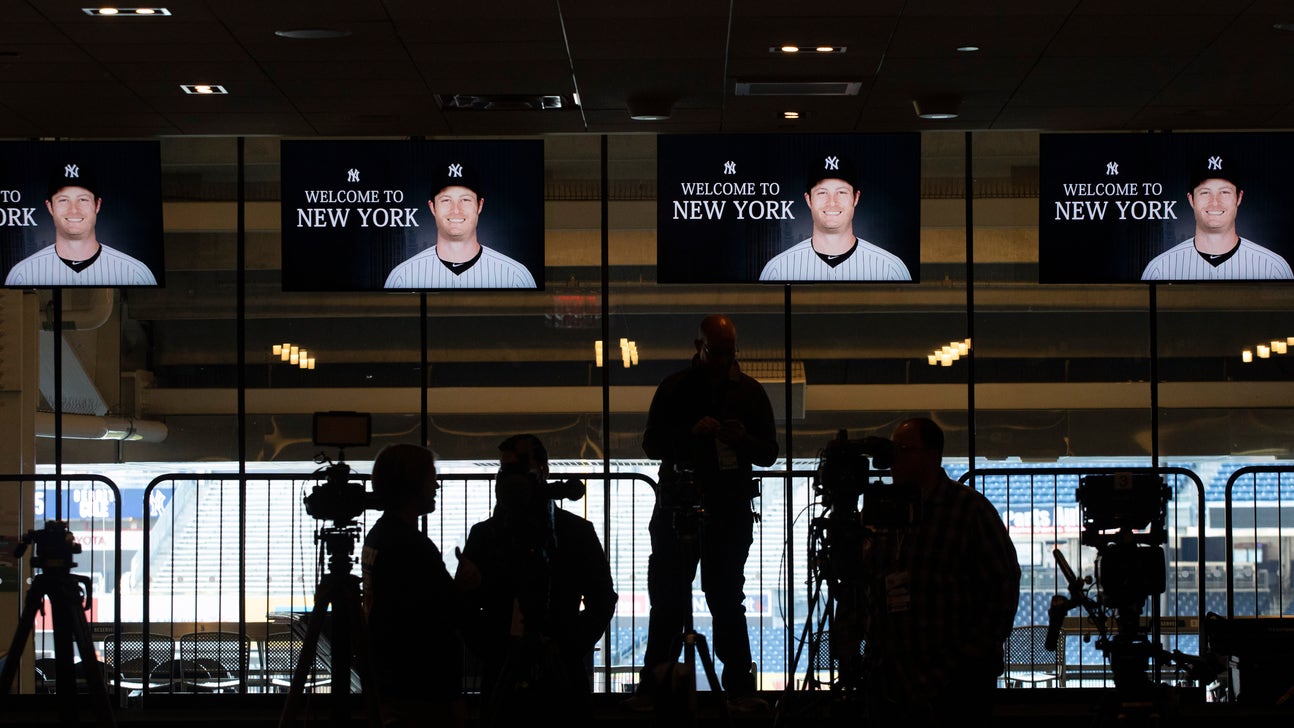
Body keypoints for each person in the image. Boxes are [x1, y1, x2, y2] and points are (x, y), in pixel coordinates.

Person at [626, 314, 779, 713]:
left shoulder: (681, 387)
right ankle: (736, 688)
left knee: (696, 598)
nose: (726, 359)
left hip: (699, 507)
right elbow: (651, 444)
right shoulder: (738, 391)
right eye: (719, 351)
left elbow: (768, 452)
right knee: (702, 598)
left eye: (729, 352)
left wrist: (738, 439)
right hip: (712, 505)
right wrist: (698, 434)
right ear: (700, 347)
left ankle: (658, 687)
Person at [856, 417, 1020, 727]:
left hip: (955, 682)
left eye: (903, 449)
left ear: (933, 455)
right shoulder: (881, 510)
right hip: (889, 678)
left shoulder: (970, 509)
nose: (893, 459)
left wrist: (967, 656)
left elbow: (1003, 589)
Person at [455, 433, 618, 728]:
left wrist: (564, 646)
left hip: (558, 670)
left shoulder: (575, 533)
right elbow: (465, 604)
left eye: (517, 469)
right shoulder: (485, 535)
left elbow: (603, 600)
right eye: (505, 470)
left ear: (544, 470)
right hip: (508, 665)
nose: (509, 479)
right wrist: (494, 649)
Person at [361, 443, 467, 728]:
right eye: (431, 479)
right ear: (412, 484)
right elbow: (445, 611)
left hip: (392, 681)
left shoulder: (378, 536)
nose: (436, 486)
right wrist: (466, 584)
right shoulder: (411, 545)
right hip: (423, 689)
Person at [758, 154, 912, 282]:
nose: (832, 202)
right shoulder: (777, 269)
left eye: (842, 192)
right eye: (822, 192)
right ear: (808, 200)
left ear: (856, 198)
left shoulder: (891, 268)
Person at [383, 161, 537, 289]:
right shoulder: (401, 277)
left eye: (465, 200)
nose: (456, 210)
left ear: (480, 205)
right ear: (432, 207)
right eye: (446, 200)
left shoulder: (516, 276)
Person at [1141, 154, 1293, 280]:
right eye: (1205, 192)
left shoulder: (1274, 268)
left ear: (1239, 198)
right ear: (1191, 199)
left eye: (1225, 192)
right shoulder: (1159, 269)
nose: (1214, 202)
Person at [5, 163, 157, 287]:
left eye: (83, 199)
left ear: (97, 205)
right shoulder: (21, 274)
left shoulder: (137, 273)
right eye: (63, 200)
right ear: (50, 207)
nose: (73, 210)